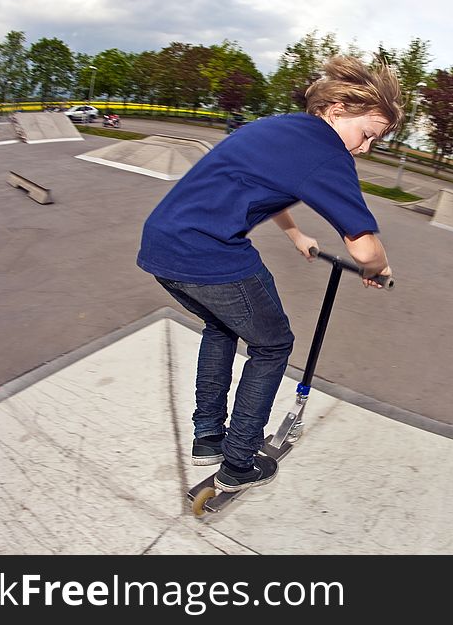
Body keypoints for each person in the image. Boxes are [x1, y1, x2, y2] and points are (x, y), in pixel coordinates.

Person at [136, 56, 404, 493]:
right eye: (367, 134)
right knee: (273, 344)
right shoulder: (328, 154)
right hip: (210, 253)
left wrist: (297, 234)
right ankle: (239, 462)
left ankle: (209, 435)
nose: (364, 148)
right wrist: (379, 267)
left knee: (221, 326)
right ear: (337, 111)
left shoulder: (276, 127)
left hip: (162, 245)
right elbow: (363, 244)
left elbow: (264, 183)